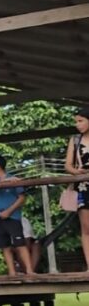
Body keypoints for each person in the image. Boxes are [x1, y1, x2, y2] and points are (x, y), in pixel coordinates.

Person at [0, 154, 32, 276]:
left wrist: (9, 211)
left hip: (13, 217)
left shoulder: (14, 179)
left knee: (20, 244)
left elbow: (21, 199)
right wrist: (4, 181)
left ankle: (30, 271)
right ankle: (12, 272)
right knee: (4, 246)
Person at [66, 107, 89, 271]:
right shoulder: (75, 139)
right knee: (86, 227)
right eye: (76, 121)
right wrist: (76, 171)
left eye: (81, 121)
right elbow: (67, 164)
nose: (77, 125)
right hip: (83, 185)